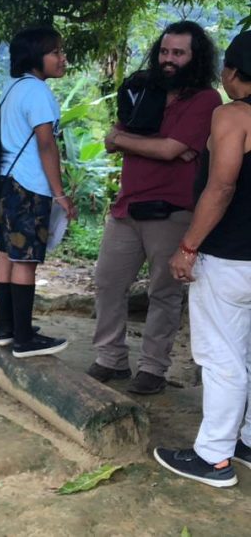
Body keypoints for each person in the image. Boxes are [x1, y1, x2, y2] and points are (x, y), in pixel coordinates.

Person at [88, 21, 222, 394]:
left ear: (195, 57)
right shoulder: (143, 87)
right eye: (164, 51)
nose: (168, 59)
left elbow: (169, 150)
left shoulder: (205, 99)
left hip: (173, 210)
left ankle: (153, 368)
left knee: (164, 293)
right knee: (108, 283)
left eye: (178, 53)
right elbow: (110, 140)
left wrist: (134, 141)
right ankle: (110, 358)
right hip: (127, 208)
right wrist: (147, 143)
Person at [154, 32, 251, 488]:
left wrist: (189, 245)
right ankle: (245, 439)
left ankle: (214, 457)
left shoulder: (233, 114)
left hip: (230, 256)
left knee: (222, 356)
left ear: (231, 72)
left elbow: (222, 186)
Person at [0, 26, 77, 359]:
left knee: (6, 254)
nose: (62, 58)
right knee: (25, 260)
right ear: (35, 57)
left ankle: (7, 328)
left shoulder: (13, 88)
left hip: (6, 183)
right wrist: (59, 194)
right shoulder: (39, 92)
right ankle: (25, 340)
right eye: (55, 52)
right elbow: (46, 144)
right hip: (29, 187)